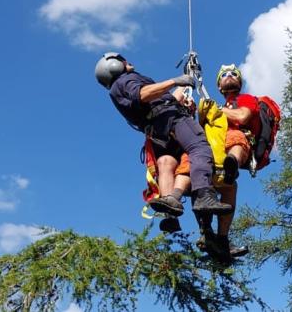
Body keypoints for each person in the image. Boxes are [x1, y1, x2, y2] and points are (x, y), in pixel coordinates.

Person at [94, 52, 232, 216]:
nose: (127, 61)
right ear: (113, 65)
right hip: (170, 118)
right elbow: (142, 94)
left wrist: (186, 78)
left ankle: (170, 205)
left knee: (171, 162)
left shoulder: (116, 89)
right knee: (199, 147)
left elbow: (164, 99)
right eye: (122, 60)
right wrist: (175, 80)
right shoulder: (126, 80)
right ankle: (204, 194)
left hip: (158, 131)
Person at [217, 64, 261, 184]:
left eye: (234, 74)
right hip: (220, 147)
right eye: (224, 75)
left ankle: (232, 164)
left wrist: (219, 110)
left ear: (240, 83)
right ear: (219, 86)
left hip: (241, 143)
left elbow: (242, 117)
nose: (229, 75)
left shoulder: (246, 98)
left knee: (235, 135)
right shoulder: (221, 108)